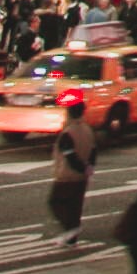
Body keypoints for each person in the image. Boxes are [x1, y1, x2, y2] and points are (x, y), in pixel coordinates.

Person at [50, 103, 99, 247]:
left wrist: (81, 168)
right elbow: (94, 151)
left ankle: (71, 229)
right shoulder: (88, 130)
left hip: (67, 176)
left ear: (69, 113)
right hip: (82, 178)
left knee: (56, 202)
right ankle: (72, 238)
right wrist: (89, 168)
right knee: (75, 207)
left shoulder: (68, 133)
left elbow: (70, 157)